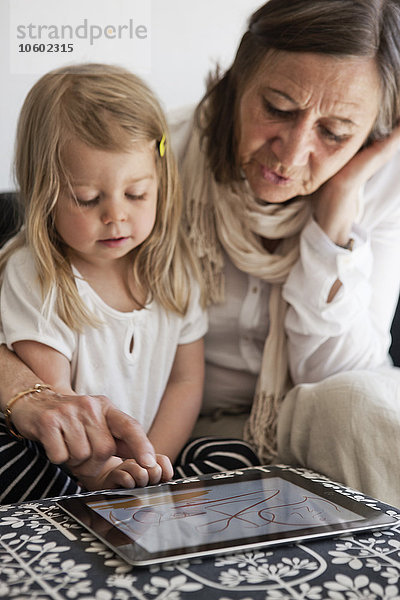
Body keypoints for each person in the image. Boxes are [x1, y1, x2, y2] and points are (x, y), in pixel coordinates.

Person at [1, 0, 400, 505]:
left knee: (368, 402)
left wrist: (333, 220)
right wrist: (34, 401)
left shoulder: (379, 185)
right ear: (236, 80)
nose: (293, 153)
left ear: (370, 134)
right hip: (169, 430)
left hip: (286, 415)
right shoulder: (149, 158)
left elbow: (339, 376)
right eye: (277, 108)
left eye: (335, 132)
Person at [0, 63, 210, 495]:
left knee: (228, 457)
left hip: (145, 451)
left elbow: (185, 382)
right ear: (45, 194)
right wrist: (98, 470)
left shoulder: (176, 271)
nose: (116, 215)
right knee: (22, 470)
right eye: (88, 199)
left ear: (161, 183)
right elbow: (55, 399)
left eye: (136, 194)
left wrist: (149, 461)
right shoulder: (37, 275)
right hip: (60, 454)